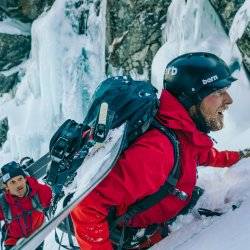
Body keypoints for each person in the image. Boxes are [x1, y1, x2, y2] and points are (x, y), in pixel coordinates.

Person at [70, 52, 250, 250]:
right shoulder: (157, 151)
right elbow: (86, 205)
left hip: (158, 224)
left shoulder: (179, 129)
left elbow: (200, 154)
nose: (229, 99)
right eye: (218, 92)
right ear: (192, 98)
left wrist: (238, 157)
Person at [0, 161, 52, 249]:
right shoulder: (3, 203)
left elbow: (57, 194)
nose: (18, 184)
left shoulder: (40, 192)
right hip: (13, 241)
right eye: (12, 182)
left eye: (20, 179)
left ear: (25, 179)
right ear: (7, 187)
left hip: (36, 235)